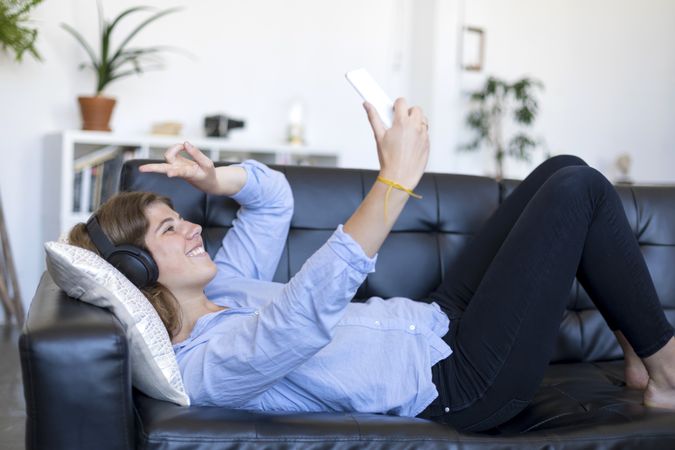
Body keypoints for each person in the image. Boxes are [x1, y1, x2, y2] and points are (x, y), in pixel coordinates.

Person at [68, 98, 675, 432]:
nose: (193, 226)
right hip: (458, 385)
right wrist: (393, 183)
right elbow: (298, 320)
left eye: (182, 215)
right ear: (140, 272)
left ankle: (635, 358)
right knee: (580, 192)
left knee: (561, 168)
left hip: (437, 322)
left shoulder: (222, 278)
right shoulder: (203, 364)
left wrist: (215, 176)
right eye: (170, 229)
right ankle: (667, 372)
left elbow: (273, 198)